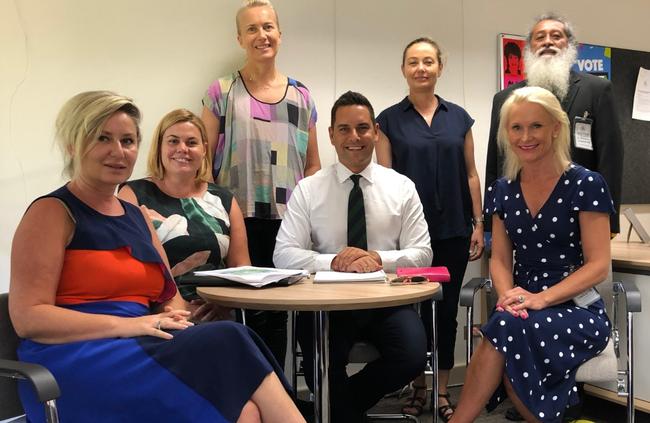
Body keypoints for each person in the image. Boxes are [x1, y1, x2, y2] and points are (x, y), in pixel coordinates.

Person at [9, 91, 305, 423]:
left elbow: (169, 298)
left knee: (246, 409)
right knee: (231, 339)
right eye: (102, 138)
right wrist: (129, 325)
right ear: (72, 145)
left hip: (139, 345)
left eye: (128, 140)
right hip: (76, 360)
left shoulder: (136, 216)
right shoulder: (52, 212)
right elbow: (28, 318)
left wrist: (179, 317)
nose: (118, 151)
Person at [451, 86, 613, 423]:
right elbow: (499, 259)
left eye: (536, 126)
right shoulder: (502, 189)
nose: (525, 136)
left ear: (556, 127)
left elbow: (599, 266)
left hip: (574, 307)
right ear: (506, 133)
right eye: (516, 127)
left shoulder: (586, 184)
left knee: (507, 335)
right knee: (510, 334)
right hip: (521, 303)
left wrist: (542, 299)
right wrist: (509, 294)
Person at [274, 91, 431, 422]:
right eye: (344, 129)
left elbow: (423, 254)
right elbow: (283, 254)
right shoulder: (309, 189)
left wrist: (376, 258)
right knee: (321, 361)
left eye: (362, 128)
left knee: (413, 355)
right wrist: (333, 261)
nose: (354, 137)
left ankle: (329, 413)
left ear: (375, 131)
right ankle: (341, 414)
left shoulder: (402, 187)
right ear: (331, 135)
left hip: (386, 301)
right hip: (325, 304)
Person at [201, 0, 321, 367]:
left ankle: (279, 394)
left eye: (268, 27)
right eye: (251, 29)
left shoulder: (301, 95)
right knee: (247, 312)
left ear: (280, 35)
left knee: (281, 313)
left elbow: (314, 165)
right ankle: (252, 392)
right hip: (238, 219)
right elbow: (204, 164)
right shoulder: (222, 91)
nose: (261, 35)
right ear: (240, 38)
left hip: (289, 224)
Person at [375, 37, 484, 421]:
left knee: (447, 312)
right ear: (403, 69)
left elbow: (471, 174)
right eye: (413, 62)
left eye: (428, 61)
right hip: (409, 237)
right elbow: (384, 183)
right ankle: (417, 386)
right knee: (413, 314)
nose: (421, 68)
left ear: (440, 67)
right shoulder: (387, 121)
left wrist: (478, 223)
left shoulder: (460, 118)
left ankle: (440, 390)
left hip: (454, 229)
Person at [485, 13, 623, 235]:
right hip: (520, 215)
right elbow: (495, 160)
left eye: (556, 36)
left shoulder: (597, 90)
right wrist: (490, 222)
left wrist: (610, 220)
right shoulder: (504, 98)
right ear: (529, 47)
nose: (548, 41)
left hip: (584, 213)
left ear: (569, 45)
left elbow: (611, 158)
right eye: (540, 37)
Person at [118, 109, 248, 321]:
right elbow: (127, 268)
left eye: (191, 142)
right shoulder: (132, 194)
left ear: (204, 149)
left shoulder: (224, 199)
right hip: (158, 314)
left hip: (217, 314)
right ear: (160, 146)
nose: (182, 149)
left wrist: (224, 305)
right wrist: (178, 309)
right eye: (173, 141)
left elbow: (241, 270)